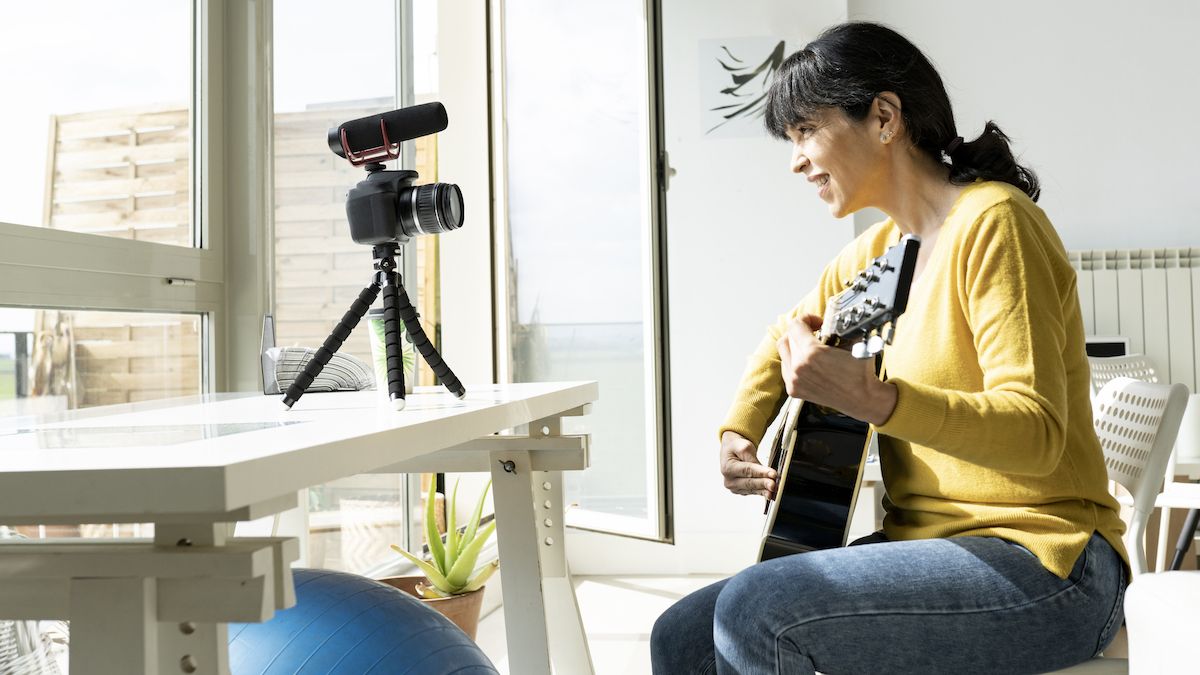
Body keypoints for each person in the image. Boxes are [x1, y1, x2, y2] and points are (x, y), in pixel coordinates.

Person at [650, 21, 1128, 675]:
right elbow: (783, 333)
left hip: (1049, 562)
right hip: (929, 545)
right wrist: (740, 428)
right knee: (680, 636)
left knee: (758, 608)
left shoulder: (995, 224)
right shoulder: (879, 256)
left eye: (805, 132)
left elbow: (1039, 432)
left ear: (882, 117)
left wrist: (878, 398)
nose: (795, 160)